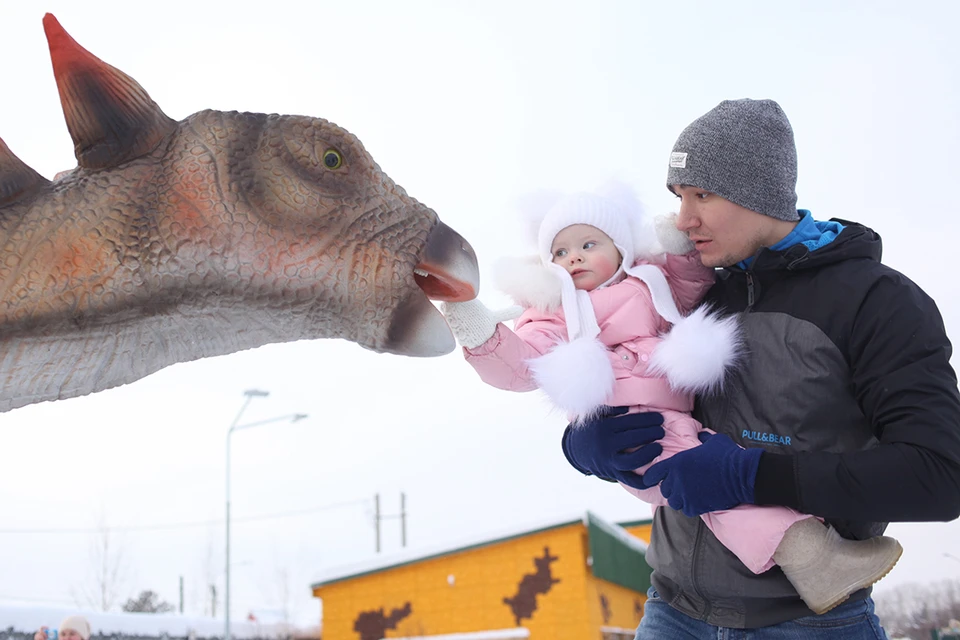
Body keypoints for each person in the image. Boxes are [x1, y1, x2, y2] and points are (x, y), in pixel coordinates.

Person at [561, 99, 960, 638]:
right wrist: (584, 442)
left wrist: (749, 476)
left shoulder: (876, 301)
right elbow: (635, 390)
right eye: (678, 196)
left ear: (761, 192)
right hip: (671, 614)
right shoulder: (686, 297)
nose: (684, 219)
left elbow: (939, 476)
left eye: (703, 193)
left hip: (811, 623)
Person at [441, 185, 902, 616]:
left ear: (620, 248)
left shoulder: (648, 282)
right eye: (559, 252)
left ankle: (818, 555)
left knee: (721, 474)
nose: (574, 258)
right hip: (632, 429)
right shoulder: (554, 312)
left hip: (671, 416)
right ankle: (812, 557)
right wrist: (478, 332)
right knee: (718, 488)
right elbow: (522, 363)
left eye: (588, 245)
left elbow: (690, 288)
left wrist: (678, 251)